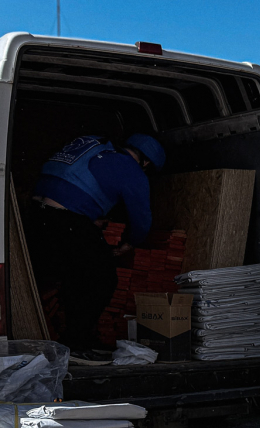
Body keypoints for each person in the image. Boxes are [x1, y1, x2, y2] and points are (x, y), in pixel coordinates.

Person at [28, 133, 166, 354]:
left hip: (34, 216)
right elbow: (141, 219)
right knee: (103, 279)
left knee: (75, 275)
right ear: (146, 162)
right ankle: (76, 344)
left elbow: (67, 185)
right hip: (66, 220)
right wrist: (130, 243)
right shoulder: (130, 168)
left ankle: (76, 338)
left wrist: (88, 215)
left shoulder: (93, 148)